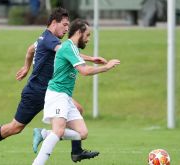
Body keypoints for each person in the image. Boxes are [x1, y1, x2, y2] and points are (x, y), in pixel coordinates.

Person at [0, 7, 106, 165]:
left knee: (77, 109)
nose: (67, 29)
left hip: (50, 91)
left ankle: (76, 151)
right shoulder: (50, 40)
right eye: (65, 24)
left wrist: (27, 67)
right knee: (15, 128)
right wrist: (91, 59)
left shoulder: (43, 38)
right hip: (36, 92)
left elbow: (30, 50)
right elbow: (68, 53)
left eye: (68, 25)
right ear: (54, 23)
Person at [32, 18, 120, 165]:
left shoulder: (72, 48)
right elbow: (84, 71)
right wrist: (107, 67)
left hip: (65, 97)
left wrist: (93, 58)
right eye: (88, 35)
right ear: (79, 32)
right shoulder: (69, 47)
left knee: (82, 134)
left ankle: (44, 133)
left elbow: (79, 59)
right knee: (59, 131)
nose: (88, 39)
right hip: (57, 95)